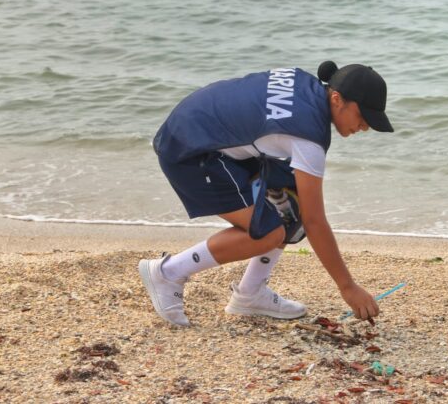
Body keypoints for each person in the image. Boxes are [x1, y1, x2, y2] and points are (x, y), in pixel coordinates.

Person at [138, 61, 394, 327]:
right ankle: (167, 273)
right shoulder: (308, 137)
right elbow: (315, 221)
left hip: (201, 131)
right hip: (188, 150)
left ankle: (250, 294)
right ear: (337, 99)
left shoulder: (305, 85)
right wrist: (348, 287)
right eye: (363, 116)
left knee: (290, 202)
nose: (365, 126)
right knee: (269, 233)